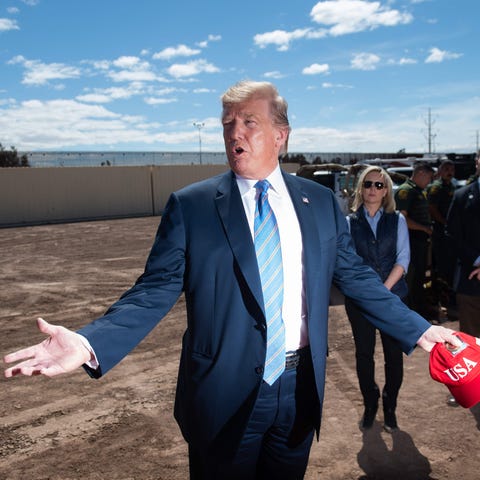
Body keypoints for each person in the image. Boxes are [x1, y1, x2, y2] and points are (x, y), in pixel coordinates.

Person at [3, 81, 459, 480]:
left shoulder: (317, 203)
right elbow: (154, 290)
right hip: (225, 394)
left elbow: (356, 276)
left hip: (299, 390)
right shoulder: (194, 206)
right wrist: (89, 342)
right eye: (227, 124)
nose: (234, 133)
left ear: (280, 135)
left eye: (248, 122)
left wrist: (419, 328)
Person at [345, 166, 409, 433]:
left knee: (394, 355)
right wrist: (367, 293)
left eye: (379, 185)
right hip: (360, 301)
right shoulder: (349, 222)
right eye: (368, 184)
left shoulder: (398, 221)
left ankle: (390, 405)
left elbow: (403, 258)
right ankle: (370, 403)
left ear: (386, 192)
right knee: (364, 354)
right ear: (361, 188)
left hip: (392, 298)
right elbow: (347, 262)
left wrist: (383, 290)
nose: (373, 189)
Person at [445, 150, 480, 339]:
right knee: (472, 344)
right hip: (470, 281)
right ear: (477, 162)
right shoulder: (461, 196)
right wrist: (477, 260)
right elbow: (451, 234)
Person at [394, 162, 435, 318]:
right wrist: (424, 228)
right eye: (429, 178)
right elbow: (402, 218)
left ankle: (419, 309)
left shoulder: (417, 191)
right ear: (421, 173)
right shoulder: (406, 191)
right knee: (411, 278)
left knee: (419, 277)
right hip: (411, 241)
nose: (429, 182)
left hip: (420, 241)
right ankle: (410, 311)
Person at [427, 159, 456, 319]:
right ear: (440, 170)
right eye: (446, 169)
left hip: (450, 234)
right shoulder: (436, 188)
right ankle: (440, 301)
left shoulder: (451, 186)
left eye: (452, 169)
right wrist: (445, 223)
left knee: (449, 267)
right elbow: (432, 209)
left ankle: (448, 298)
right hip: (440, 233)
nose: (450, 172)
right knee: (440, 268)